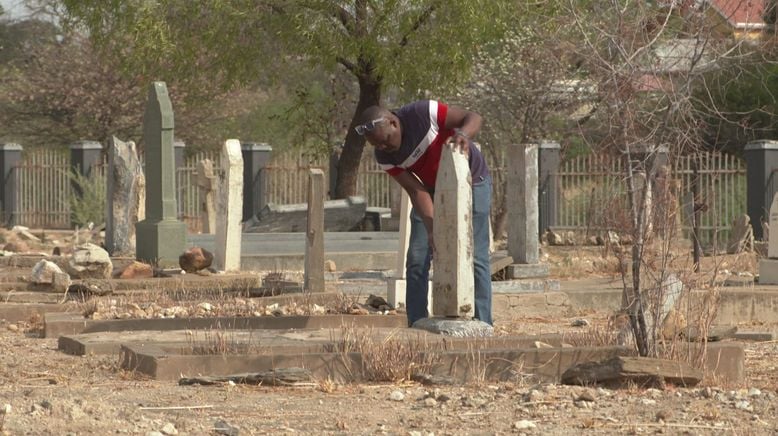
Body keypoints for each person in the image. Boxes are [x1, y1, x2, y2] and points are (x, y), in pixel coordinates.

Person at [355, 100, 492, 326]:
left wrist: (464, 135)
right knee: (417, 257)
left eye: (386, 140)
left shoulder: (422, 114)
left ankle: (483, 322)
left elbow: (473, 116)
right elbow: (415, 189)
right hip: (430, 189)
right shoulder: (385, 157)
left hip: (472, 181)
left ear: (393, 123)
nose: (384, 148)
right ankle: (417, 322)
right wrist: (431, 228)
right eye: (377, 145)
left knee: (476, 255)